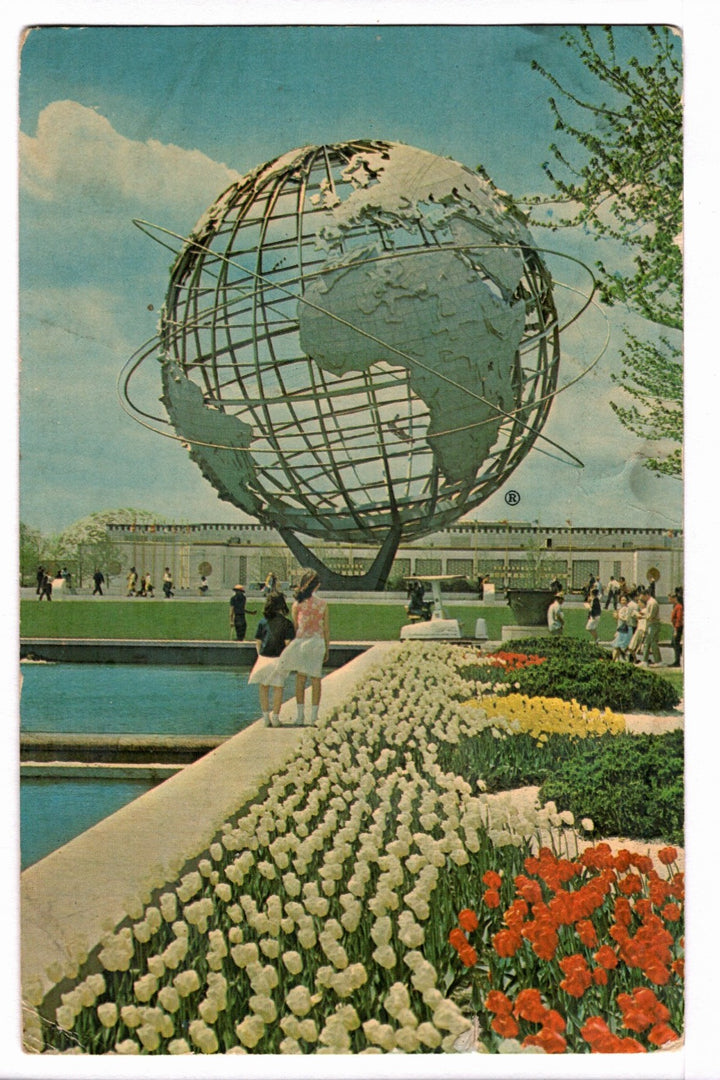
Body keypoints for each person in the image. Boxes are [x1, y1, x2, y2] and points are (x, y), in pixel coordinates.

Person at [272, 569, 330, 726]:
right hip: (317, 643)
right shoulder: (323, 604)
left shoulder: (297, 604)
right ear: (316, 586)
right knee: (316, 679)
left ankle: (300, 716)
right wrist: (327, 647)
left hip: (302, 643)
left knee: (301, 679)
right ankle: (314, 716)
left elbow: (295, 627)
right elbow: (325, 629)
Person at [248, 593, 296, 726]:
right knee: (278, 687)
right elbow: (288, 644)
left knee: (263, 687)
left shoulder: (262, 622)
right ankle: (275, 717)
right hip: (278, 658)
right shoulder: (287, 623)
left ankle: (265, 717)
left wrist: (259, 655)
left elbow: (258, 641)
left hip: (264, 658)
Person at [640, 586, 662, 666]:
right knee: (647, 642)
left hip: (653, 624)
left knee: (653, 642)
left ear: (646, 595)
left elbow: (651, 616)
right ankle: (644, 660)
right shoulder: (649, 602)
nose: (642, 599)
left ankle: (658, 661)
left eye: (643, 597)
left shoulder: (652, 603)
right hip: (650, 624)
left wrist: (642, 616)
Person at [611, 595, 633, 660]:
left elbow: (625, 619)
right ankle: (620, 659)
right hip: (622, 629)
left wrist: (618, 616)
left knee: (617, 646)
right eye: (622, 600)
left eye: (625, 600)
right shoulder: (621, 608)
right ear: (620, 601)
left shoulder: (627, 609)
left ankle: (613, 661)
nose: (624, 601)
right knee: (619, 646)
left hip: (625, 630)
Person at [669, 588, 684, 667]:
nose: (669, 600)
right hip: (675, 626)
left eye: (670, 599)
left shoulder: (679, 607)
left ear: (675, 598)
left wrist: (675, 630)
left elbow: (678, 619)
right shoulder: (675, 606)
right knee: (674, 643)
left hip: (677, 627)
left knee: (676, 644)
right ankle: (677, 659)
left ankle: (677, 660)